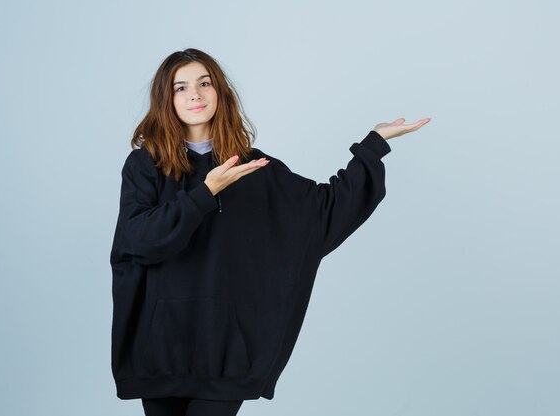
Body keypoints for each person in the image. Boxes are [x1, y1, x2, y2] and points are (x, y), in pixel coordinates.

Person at [110, 48, 431, 416]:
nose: (194, 94)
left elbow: (322, 212)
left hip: (225, 353)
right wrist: (204, 193)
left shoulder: (254, 168)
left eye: (204, 83)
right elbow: (139, 241)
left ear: (220, 92)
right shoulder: (145, 165)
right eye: (180, 88)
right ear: (166, 100)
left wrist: (374, 143)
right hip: (160, 349)